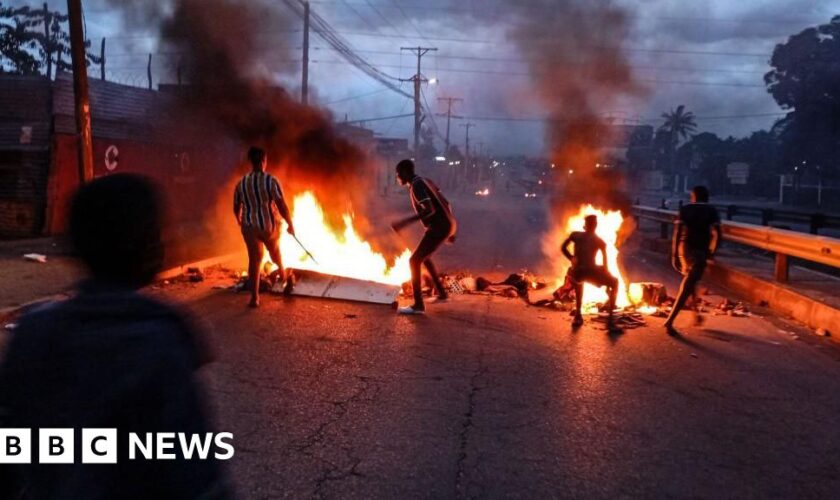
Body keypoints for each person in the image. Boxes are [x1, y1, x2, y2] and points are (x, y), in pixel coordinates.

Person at [0, 174, 229, 499]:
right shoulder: (160, 342)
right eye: (157, 233)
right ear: (146, 248)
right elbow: (196, 477)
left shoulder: (33, 332)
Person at [391, 159, 457, 315]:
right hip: (445, 225)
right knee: (424, 258)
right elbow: (446, 203)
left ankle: (418, 305)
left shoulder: (416, 185)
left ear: (406, 173)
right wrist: (451, 227)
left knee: (414, 261)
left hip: (439, 227)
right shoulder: (425, 181)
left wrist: (404, 222)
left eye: (399, 173)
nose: (398, 177)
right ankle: (442, 294)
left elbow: (430, 210)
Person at [234, 146, 295, 308]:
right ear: (263, 161)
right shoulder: (270, 180)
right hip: (268, 226)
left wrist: (240, 220)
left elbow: (236, 206)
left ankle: (254, 299)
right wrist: (290, 223)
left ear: (251, 162)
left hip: (248, 227)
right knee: (275, 255)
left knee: (254, 260)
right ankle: (285, 278)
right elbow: (281, 204)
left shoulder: (242, 182)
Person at [664, 185, 722, 335]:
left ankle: (695, 315)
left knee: (691, 281)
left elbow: (677, 233)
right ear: (706, 197)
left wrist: (674, 255)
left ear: (694, 196)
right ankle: (670, 321)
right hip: (699, 252)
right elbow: (718, 234)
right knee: (688, 284)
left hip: (684, 250)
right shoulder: (711, 210)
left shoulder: (685, 209)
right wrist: (712, 252)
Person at [561, 214, 621, 333]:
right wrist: (607, 282)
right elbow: (605, 266)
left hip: (578, 271)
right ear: (595, 226)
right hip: (589, 272)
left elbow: (563, 248)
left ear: (585, 225)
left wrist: (572, 258)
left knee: (579, 279)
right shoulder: (599, 241)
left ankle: (578, 315)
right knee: (614, 282)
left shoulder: (576, 235)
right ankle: (610, 322)